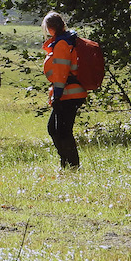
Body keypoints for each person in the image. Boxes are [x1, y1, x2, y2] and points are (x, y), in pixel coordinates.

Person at [42, 11, 87, 169]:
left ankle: (72, 165)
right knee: (55, 129)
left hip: (68, 93)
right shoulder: (68, 40)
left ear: (49, 28)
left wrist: (58, 94)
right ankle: (67, 163)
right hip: (71, 92)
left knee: (61, 130)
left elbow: (61, 71)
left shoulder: (62, 44)